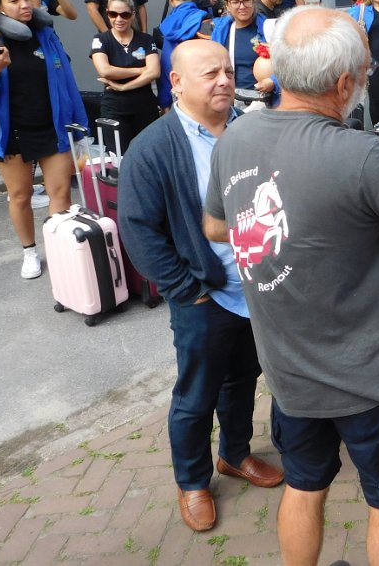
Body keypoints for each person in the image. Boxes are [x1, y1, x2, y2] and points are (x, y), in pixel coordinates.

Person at [203, 6, 379, 566]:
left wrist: (291, 230)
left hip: (290, 374)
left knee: (305, 484)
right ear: (344, 85)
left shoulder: (236, 138)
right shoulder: (362, 157)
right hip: (369, 379)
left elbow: (215, 225)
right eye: (366, 73)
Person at [116, 39, 284, 533]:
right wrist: (185, 289)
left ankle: (234, 454)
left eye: (228, 71)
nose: (224, 81)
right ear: (176, 82)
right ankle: (192, 481)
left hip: (254, 287)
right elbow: (138, 229)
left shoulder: (246, 130)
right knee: (196, 394)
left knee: (243, 379)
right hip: (202, 293)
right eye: (210, 74)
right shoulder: (154, 147)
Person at [0, 0, 87, 278]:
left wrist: (80, 125)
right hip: (10, 133)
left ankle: (60, 252)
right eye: (14, 0)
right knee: (20, 195)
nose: (24, 5)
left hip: (52, 127)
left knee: (61, 194)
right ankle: (29, 251)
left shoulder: (45, 34)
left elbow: (67, 82)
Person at [89, 0, 161, 153]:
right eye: (113, 14)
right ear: (107, 13)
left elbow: (154, 72)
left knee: (149, 155)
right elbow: (105, 70)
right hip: (115, 110)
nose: (119, 19)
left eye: (125, 15)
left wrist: (124, 87)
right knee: (119, 158)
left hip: (145, 108)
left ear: (133, 14)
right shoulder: (101, 39)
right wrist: (141, 70)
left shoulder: (146, 39)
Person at [158, 0, 210, 110]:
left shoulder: (167, 26)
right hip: (203, 90)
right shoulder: (205, 20)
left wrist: (164, 102)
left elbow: (166, 65)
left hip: (178, 93)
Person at [210, 0, 267, 91]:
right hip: (230, 96)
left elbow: (285, 65)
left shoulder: (266, 29)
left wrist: (273, 81)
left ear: (253, 1)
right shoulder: (221, 31)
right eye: (235, 2)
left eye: (246, 0)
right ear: (227, 5)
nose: (242, 6)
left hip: (263, 96)